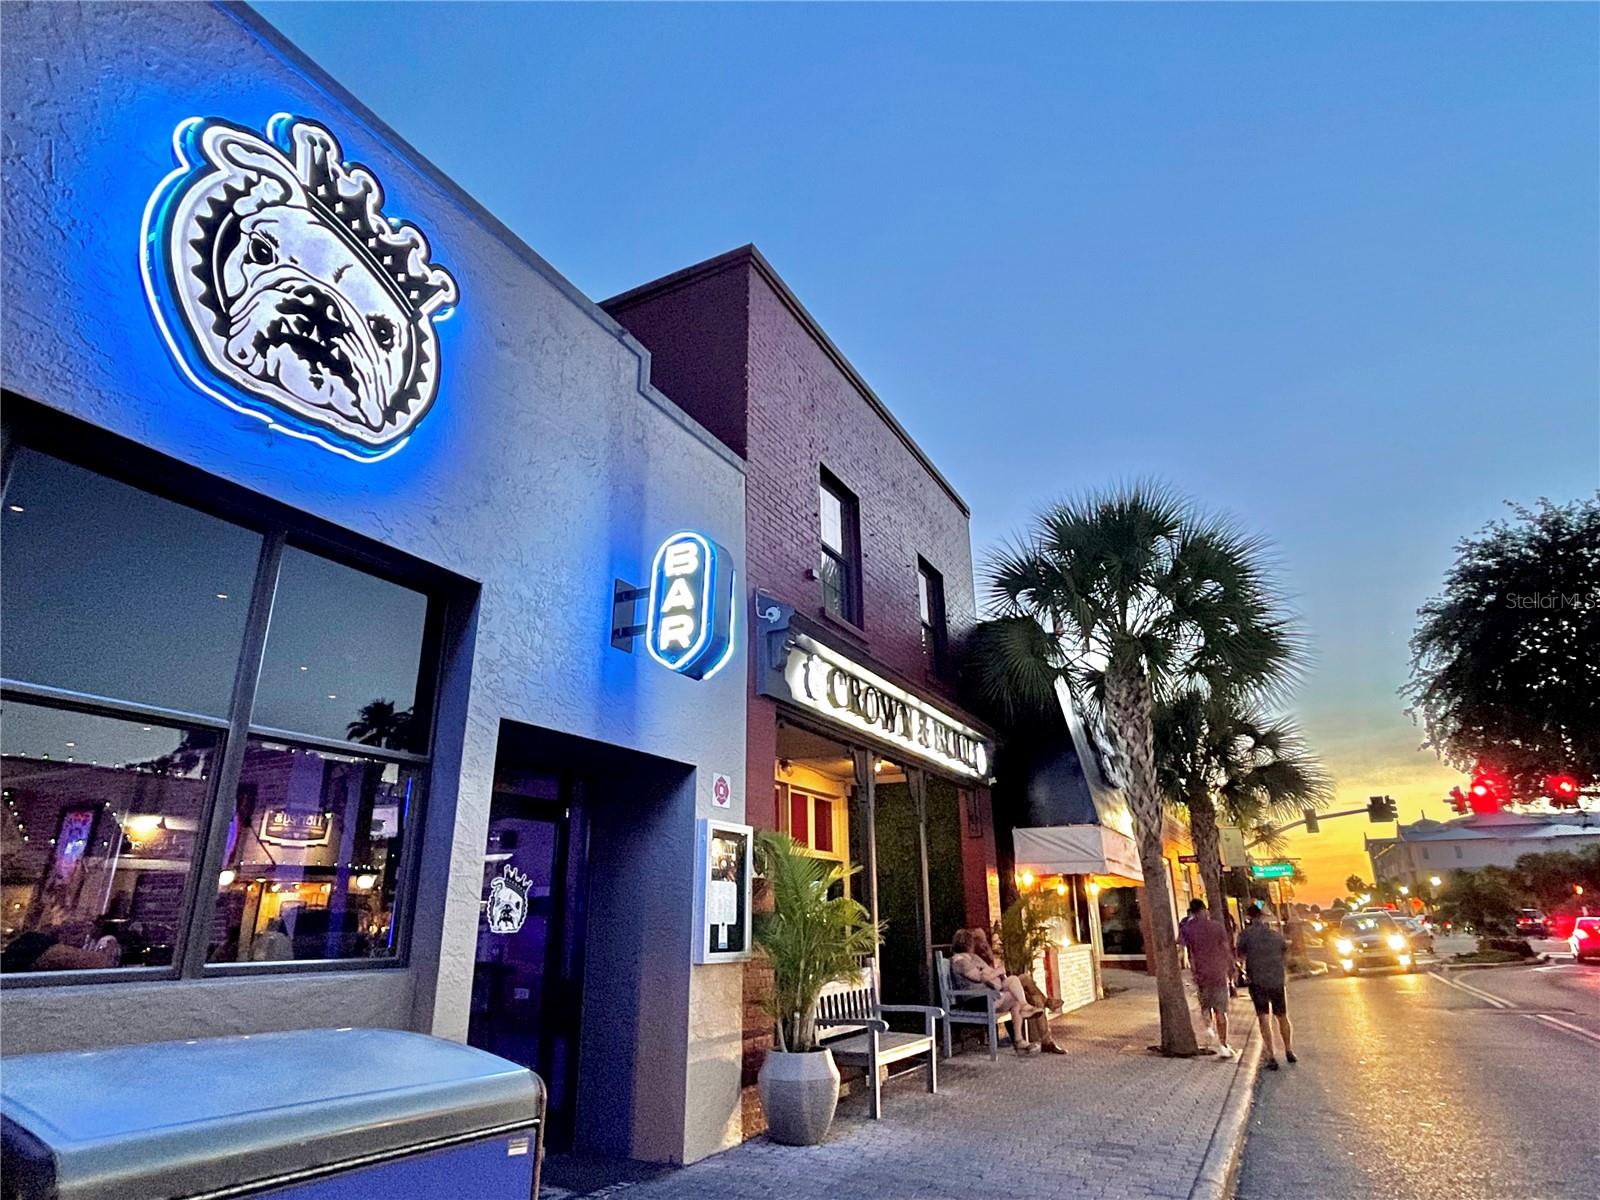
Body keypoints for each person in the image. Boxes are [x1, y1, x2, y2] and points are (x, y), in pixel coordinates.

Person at [968, 926, 1067, 1054]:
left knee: (1036, 999)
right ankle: (1048, 1002)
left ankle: (1047, 1042)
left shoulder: (985, 955)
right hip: (997, 989)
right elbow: (985, 977)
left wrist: (989, 954)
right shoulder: (971, 959)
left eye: (982, 938)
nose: (982, 941)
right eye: (978, 939)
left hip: (1002, 984)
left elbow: (995, 970)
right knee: (1025, 978)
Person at [949, 928, 1045, 1055]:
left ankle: (1019, 1039)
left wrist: (991, 974)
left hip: (989, 995)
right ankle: (1025, 1009)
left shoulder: (974, 958)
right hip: (976, 999)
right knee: (1013, 990)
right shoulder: (959, 961)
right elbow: (980, 977)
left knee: (1014, 984)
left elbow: (989, 975)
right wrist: (998, 971)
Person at [1237, 902, 1295, 1070]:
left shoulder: (1245, 935)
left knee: (1264, 1018)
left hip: (1257, 981)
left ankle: (1271, 1055)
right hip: (1276, 979)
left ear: (1248, 917)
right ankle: (1289, 1050)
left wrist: (1242, 970)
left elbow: (1240, 956)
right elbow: (1286, 953)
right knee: (1282, 1016)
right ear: (1262, 917)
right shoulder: (1275, 935)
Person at [1181, 900, 1237, 1059]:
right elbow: (1226, 948)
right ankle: (1223, 1044)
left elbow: (1186, 950)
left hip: (1201, 974)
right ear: (1204, 910)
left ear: (1192, 912)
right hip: (1219, 973)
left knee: (1205, 1006)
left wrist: (1193, 972)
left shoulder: (1189, 928)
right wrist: (1232, 967)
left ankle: (1208, 1031)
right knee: (1221, 1010)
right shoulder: (1217, 926)